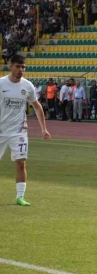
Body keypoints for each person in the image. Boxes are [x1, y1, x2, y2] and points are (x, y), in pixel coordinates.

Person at [0, 55, 52, 206]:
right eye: (18, 66)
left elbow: (36, 106)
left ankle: (20, 197)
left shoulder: (28, 86)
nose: (21, 70)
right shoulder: (1, 83)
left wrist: (44, 129)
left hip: (18, 131)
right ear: (10, 66)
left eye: (23, 67)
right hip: (1, 130)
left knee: (21, 162)